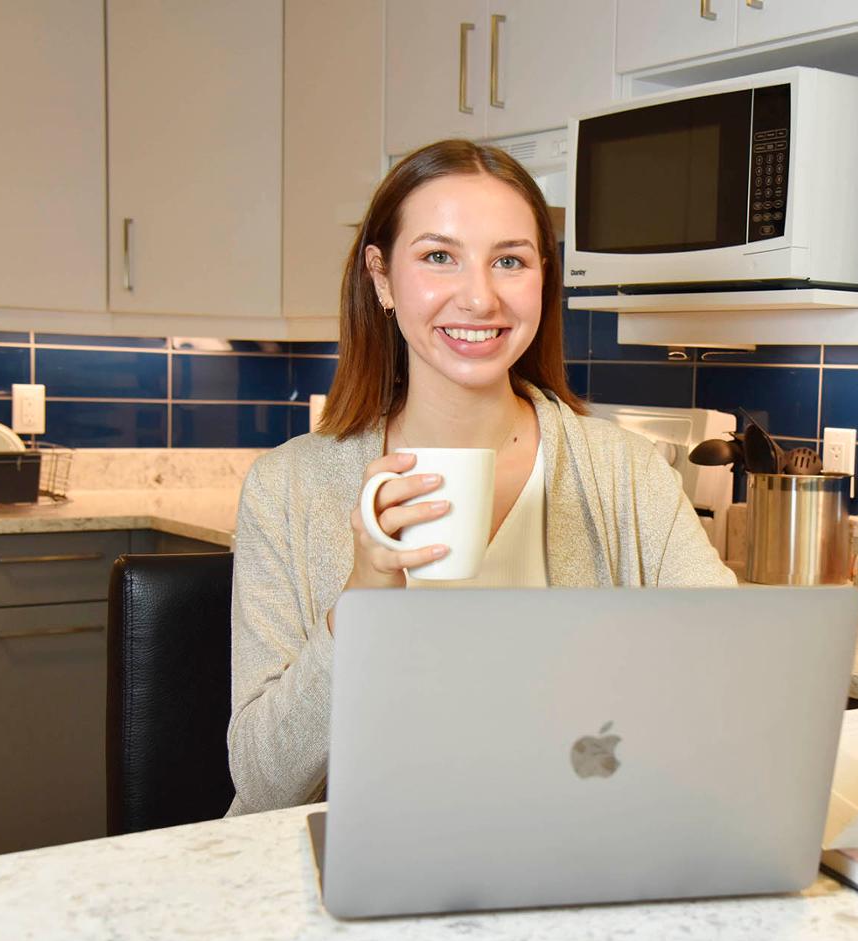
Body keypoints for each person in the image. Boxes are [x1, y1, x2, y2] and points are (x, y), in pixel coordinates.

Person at [226, 140, 736, 816]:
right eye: (439, 256)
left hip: (572, 848)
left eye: (510, 260)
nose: (479, 295)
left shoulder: (627, 474)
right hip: (356, 871)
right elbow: (263, 782)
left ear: (543, 278)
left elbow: (730, 677)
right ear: (381, 276)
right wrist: (362, 600)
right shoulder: (285, 489)